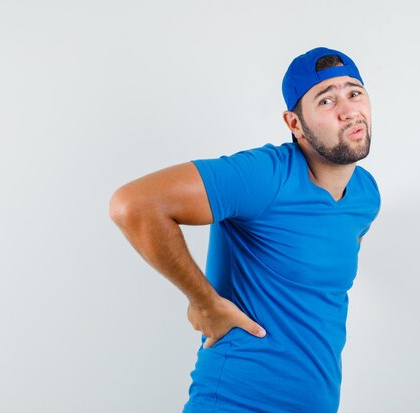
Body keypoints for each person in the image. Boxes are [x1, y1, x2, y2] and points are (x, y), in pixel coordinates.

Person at [109, 46, 380, 412]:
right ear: (295, 124)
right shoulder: (265, 176)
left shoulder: (365, 196)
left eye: (354, 93)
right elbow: (134, 204)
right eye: (326, 101)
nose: (348, 110)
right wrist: (204, 302)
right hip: (235, 401)